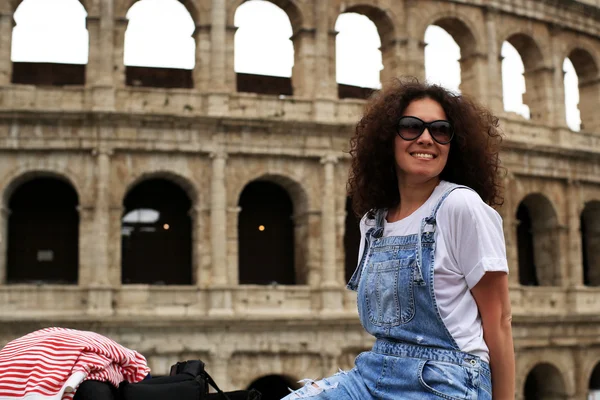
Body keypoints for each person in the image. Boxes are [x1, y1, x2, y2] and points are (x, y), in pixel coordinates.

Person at [282, 79, 515, 400]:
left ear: (453, 143)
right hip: (372, 372)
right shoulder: (373, 222)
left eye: (440, 130)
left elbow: (500, 320)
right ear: (387, 139)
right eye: (411, 127)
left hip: (444, 379)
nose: (426, 138)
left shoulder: (461, 206)